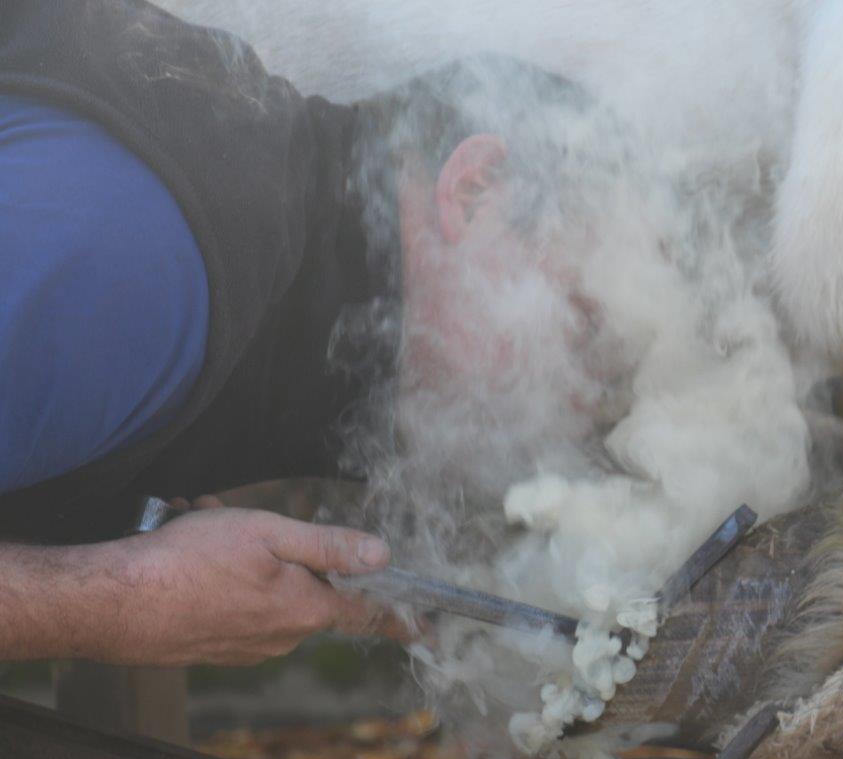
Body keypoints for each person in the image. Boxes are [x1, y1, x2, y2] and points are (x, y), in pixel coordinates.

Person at [0, 0, 597, 666]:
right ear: (478, 191)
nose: (583, 404)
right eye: (585, 326)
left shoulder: (259, 232)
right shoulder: (135, 262)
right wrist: (120, 598)